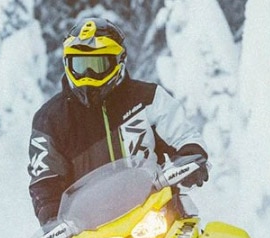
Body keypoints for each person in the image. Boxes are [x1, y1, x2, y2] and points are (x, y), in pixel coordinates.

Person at [27, 17, 210, 227]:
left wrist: (191, 156)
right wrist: (51, 218)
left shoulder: (148, 98)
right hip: (93, 234)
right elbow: (44, 179)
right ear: (67, 63)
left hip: (158, 213)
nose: (88, 75)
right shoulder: (50, 120)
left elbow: (183, 134)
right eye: (80, 64)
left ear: (118, 61)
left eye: (97, 65)